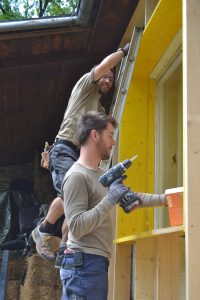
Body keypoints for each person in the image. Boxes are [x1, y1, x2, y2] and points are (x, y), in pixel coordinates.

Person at [32, 42, 130, 266]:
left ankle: (64, 247)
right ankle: (44, 229)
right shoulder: (85, 86)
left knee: (79, 203)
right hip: (65, 147)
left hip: (79, 154)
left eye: (110, 80)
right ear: (97, 75)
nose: (107, 80)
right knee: (71, 193)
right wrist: (123, 53)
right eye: (104, 76)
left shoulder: (100, 112)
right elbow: (105, 65)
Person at [60, 111, 166, 300]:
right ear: (94, 135)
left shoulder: (101, 174)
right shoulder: (76, 176)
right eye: (110, 135)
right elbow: (76, 227)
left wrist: (166, 199)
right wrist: (110, 199)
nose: (114, 141)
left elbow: (131, 197)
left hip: (93, 264)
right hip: (84, 265)